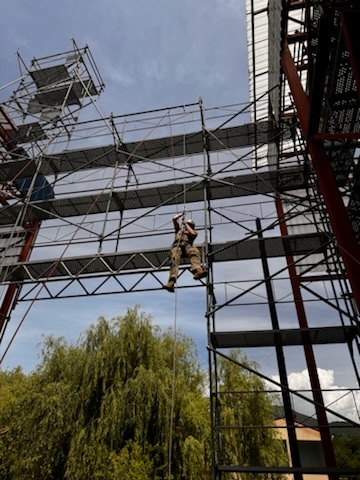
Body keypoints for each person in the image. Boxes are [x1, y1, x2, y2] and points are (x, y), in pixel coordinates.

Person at [163, 213, 207, 292]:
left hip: (187, 246)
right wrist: (180, 215)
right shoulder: (179, 230)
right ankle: (171, 282)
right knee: (174, 258)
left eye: (190, 225)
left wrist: (186, 223)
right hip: (177, 246)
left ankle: (197, 271)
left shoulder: (194, 232)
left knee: (194, 251)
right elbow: (174, 219)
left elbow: (192, 233)